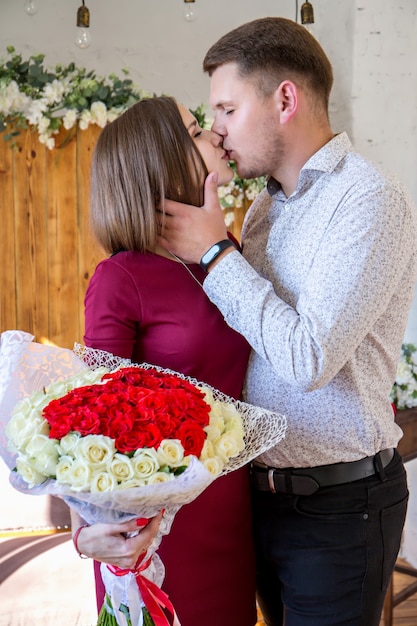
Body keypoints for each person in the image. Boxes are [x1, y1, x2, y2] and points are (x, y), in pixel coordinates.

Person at [159, 17, 417, 626]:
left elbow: (307, 360)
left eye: (226, 108)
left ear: (284, 100)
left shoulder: (368, 199)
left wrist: (217, 253)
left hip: (339, 509)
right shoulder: (265, 207)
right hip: (260, 499)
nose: (217, 131)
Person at [70, 95, 257, 626]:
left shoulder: (227, 256)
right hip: (159, 529)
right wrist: (86, 533)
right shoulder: (120, 278)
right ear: (163, 158)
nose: (216, 135)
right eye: (198, 129)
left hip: (235, 511)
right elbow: (89, 429)